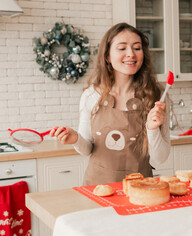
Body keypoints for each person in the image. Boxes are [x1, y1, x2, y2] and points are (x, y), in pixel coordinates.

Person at [50, 22, 170, 185]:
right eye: (122, 48)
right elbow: (87, 150)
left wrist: (152, 129)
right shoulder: (92, 95)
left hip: (141, 189)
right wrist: (76, 139)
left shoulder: (156, 97)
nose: (131, 54)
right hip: (98, 188)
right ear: (107, 56)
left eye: (137, 48)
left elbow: (160, 158)